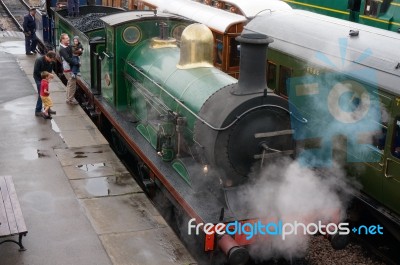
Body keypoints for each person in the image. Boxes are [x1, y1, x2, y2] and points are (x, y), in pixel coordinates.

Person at [33, 51, 56, 116]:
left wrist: (50, 76)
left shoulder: (51, 62)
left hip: (46, 78)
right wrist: (47, 74)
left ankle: (47, 108)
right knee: (41, 94)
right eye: (51, 59)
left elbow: (50, 70)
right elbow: (36, 71)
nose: (52, 61)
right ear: (47, 56)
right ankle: (37, 110)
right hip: (38, 78)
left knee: (46, 93)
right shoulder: (39, 60)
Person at [59, 33, 79, 105]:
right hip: (68, 69)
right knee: (72, 83)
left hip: (69, 68)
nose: (68, 39)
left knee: (69, 83)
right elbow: (68, 59)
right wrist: (77, 63)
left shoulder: (66, 46)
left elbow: (70, 48)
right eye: (67, 38)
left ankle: (68, 98)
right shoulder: (62, 49)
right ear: (62, 39)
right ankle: (70, 99)